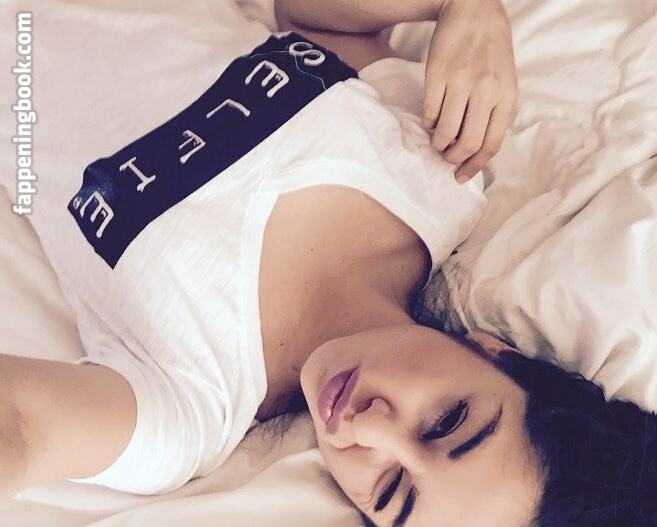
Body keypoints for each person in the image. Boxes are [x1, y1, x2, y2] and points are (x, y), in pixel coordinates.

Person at [0, 1, 654, 526]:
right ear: (494, 353)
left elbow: (22, 424)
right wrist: (467, 9)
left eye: (391, 492)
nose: (369, 428)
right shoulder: (439, 178)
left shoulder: (187, 408)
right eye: (446, 421)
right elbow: (314, 17)